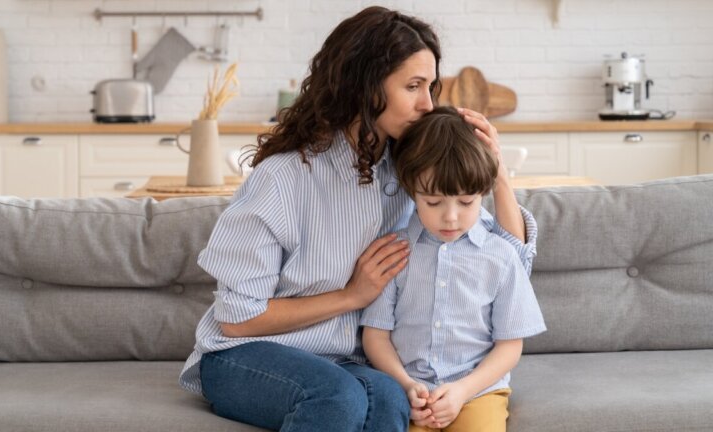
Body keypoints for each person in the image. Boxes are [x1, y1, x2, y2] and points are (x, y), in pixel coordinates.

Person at [178, 6, 538, 432]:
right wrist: (352, 296)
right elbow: (237, 318)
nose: (427, 103)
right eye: (413, 86)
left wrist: (496, 174)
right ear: (366, 88)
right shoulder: (285, 177)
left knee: (389, 398)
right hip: (248, 354)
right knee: (338, 396)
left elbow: (508, 260)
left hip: (346, 361)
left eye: (430, 87)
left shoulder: (410, 172)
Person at [361, 106, 547, 432]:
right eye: (433, 202)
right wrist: (405, 385)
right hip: (411, 392)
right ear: (411, 190)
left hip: (478, 391)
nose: (450, 217)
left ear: (483, 193)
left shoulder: (501, 256)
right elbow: (376, 336)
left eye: (465, 202)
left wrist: (463, 391)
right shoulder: (394, 252)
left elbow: (509, 346)